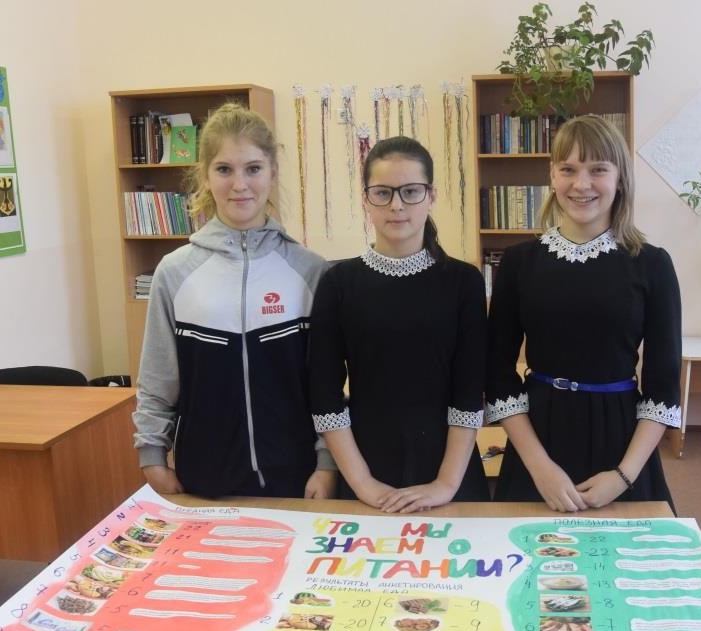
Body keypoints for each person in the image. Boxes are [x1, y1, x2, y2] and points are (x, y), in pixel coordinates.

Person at [133, 102, 336, 499]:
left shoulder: (309, 269)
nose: (239, 184)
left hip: (299, 477)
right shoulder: (174, 272)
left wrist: (327, 463)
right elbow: (158, 378)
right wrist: (152, 456)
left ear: (272, 173)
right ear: (205, 176)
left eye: (253, 168)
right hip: (203, 478)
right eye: (224, 169)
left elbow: (327, 385)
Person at [486, 114, 681, 512]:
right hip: (538, 436)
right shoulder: (520, 263)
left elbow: (662, 385)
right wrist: (539, 467)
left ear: (620, 178)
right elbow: (496, 372)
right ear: (552, 176)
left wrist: (623, 476)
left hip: (621, 441)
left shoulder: (652, 265)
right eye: (568, 169)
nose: (581, 184)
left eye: (598, 170)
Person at [309, 135, 489, 514]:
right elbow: (324, 393)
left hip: (451, 473)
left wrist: (445, 484)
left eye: (410, 192)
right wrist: (363, 483)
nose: (396, 205)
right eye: (382, 193)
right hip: (366, 472)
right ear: (365, 199)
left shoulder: (463, 282)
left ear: (431, 196)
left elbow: (469, 391)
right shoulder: (338, 283)